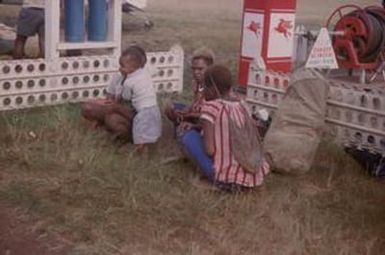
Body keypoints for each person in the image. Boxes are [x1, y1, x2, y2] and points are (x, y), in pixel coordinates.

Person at [178, 65, 270, 192]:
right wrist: (197, 126)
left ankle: (215, 180)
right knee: (195, 132)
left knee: (187, 136)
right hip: (252, 173)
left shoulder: (211, 108)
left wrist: (195, 132)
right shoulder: (242, 105)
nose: (203, 91)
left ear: (212, 89)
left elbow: (210, 150)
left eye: (204, 87)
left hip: (228, 177)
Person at [81, 46, 161, 153]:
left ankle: (132, 142)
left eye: (122, 66)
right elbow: (110, 96)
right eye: (120, 65)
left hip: (136, 114)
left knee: (114, 119)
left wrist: (116, 106)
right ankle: (102, 126)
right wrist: (105, 102)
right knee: (88, 107)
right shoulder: (121, 76)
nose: (120, 68)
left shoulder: (133, 81)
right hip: (130, 110)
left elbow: (129, 102)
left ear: (135, 68)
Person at [165, 47, 214, 131]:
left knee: (184, 135)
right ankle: (182, 124)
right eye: (193, 69)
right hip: (196, 114)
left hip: (206, 122)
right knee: (169, 106)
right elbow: (196, 103)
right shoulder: (196, 83)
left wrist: (188, 115)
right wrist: (186, 111)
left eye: (200, 69)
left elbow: (210, 114)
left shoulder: (214, 87)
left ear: (210, 68)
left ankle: (187, 128)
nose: (196, 72)